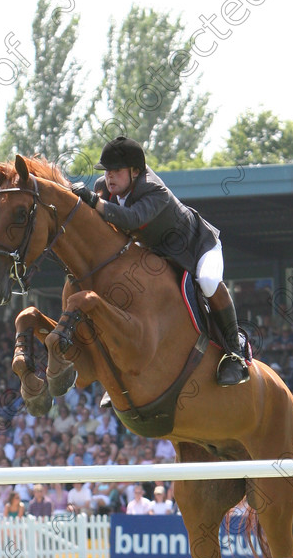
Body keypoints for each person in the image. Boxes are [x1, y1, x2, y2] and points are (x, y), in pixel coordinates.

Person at [73, 136, 249, 386]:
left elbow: (132, 219)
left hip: (197, 247)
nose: (110, 177)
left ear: (135, 172)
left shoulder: (155, 190)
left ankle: (235, 352)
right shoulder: (106, 187)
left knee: (208, 281)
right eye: (108, 171)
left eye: (117, 171)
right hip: (156, 254)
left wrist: (93, 200)